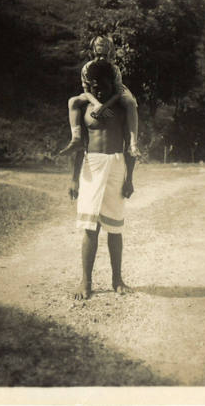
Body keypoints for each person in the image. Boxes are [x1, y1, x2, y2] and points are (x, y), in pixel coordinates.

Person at [69, 59, 136, 300]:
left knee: (115, 227)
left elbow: (130, 146)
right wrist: (74, 179)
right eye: (94, 85)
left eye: (103, 84)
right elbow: (79, 146)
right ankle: (85, 281)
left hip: (116, 165)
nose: (98, 89)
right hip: (91, 166)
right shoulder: (85, 107)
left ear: (112, 83)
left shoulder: (123, 108)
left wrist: (130, 179)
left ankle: (117, 279)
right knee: (90, 227)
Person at [61, 35, 140, 158]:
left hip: (115, 90)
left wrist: (104, 106)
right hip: (92, 93)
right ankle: (76, 138)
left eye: (103, 45)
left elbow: (118, 91)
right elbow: (86, 90)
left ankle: (133, 143)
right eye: (98, 45)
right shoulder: (87, 67)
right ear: (93, 48)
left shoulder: (114, 68)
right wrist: (97, 104)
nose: (100, 47)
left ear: (109, 48)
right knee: (73, 101)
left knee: (130, 102)